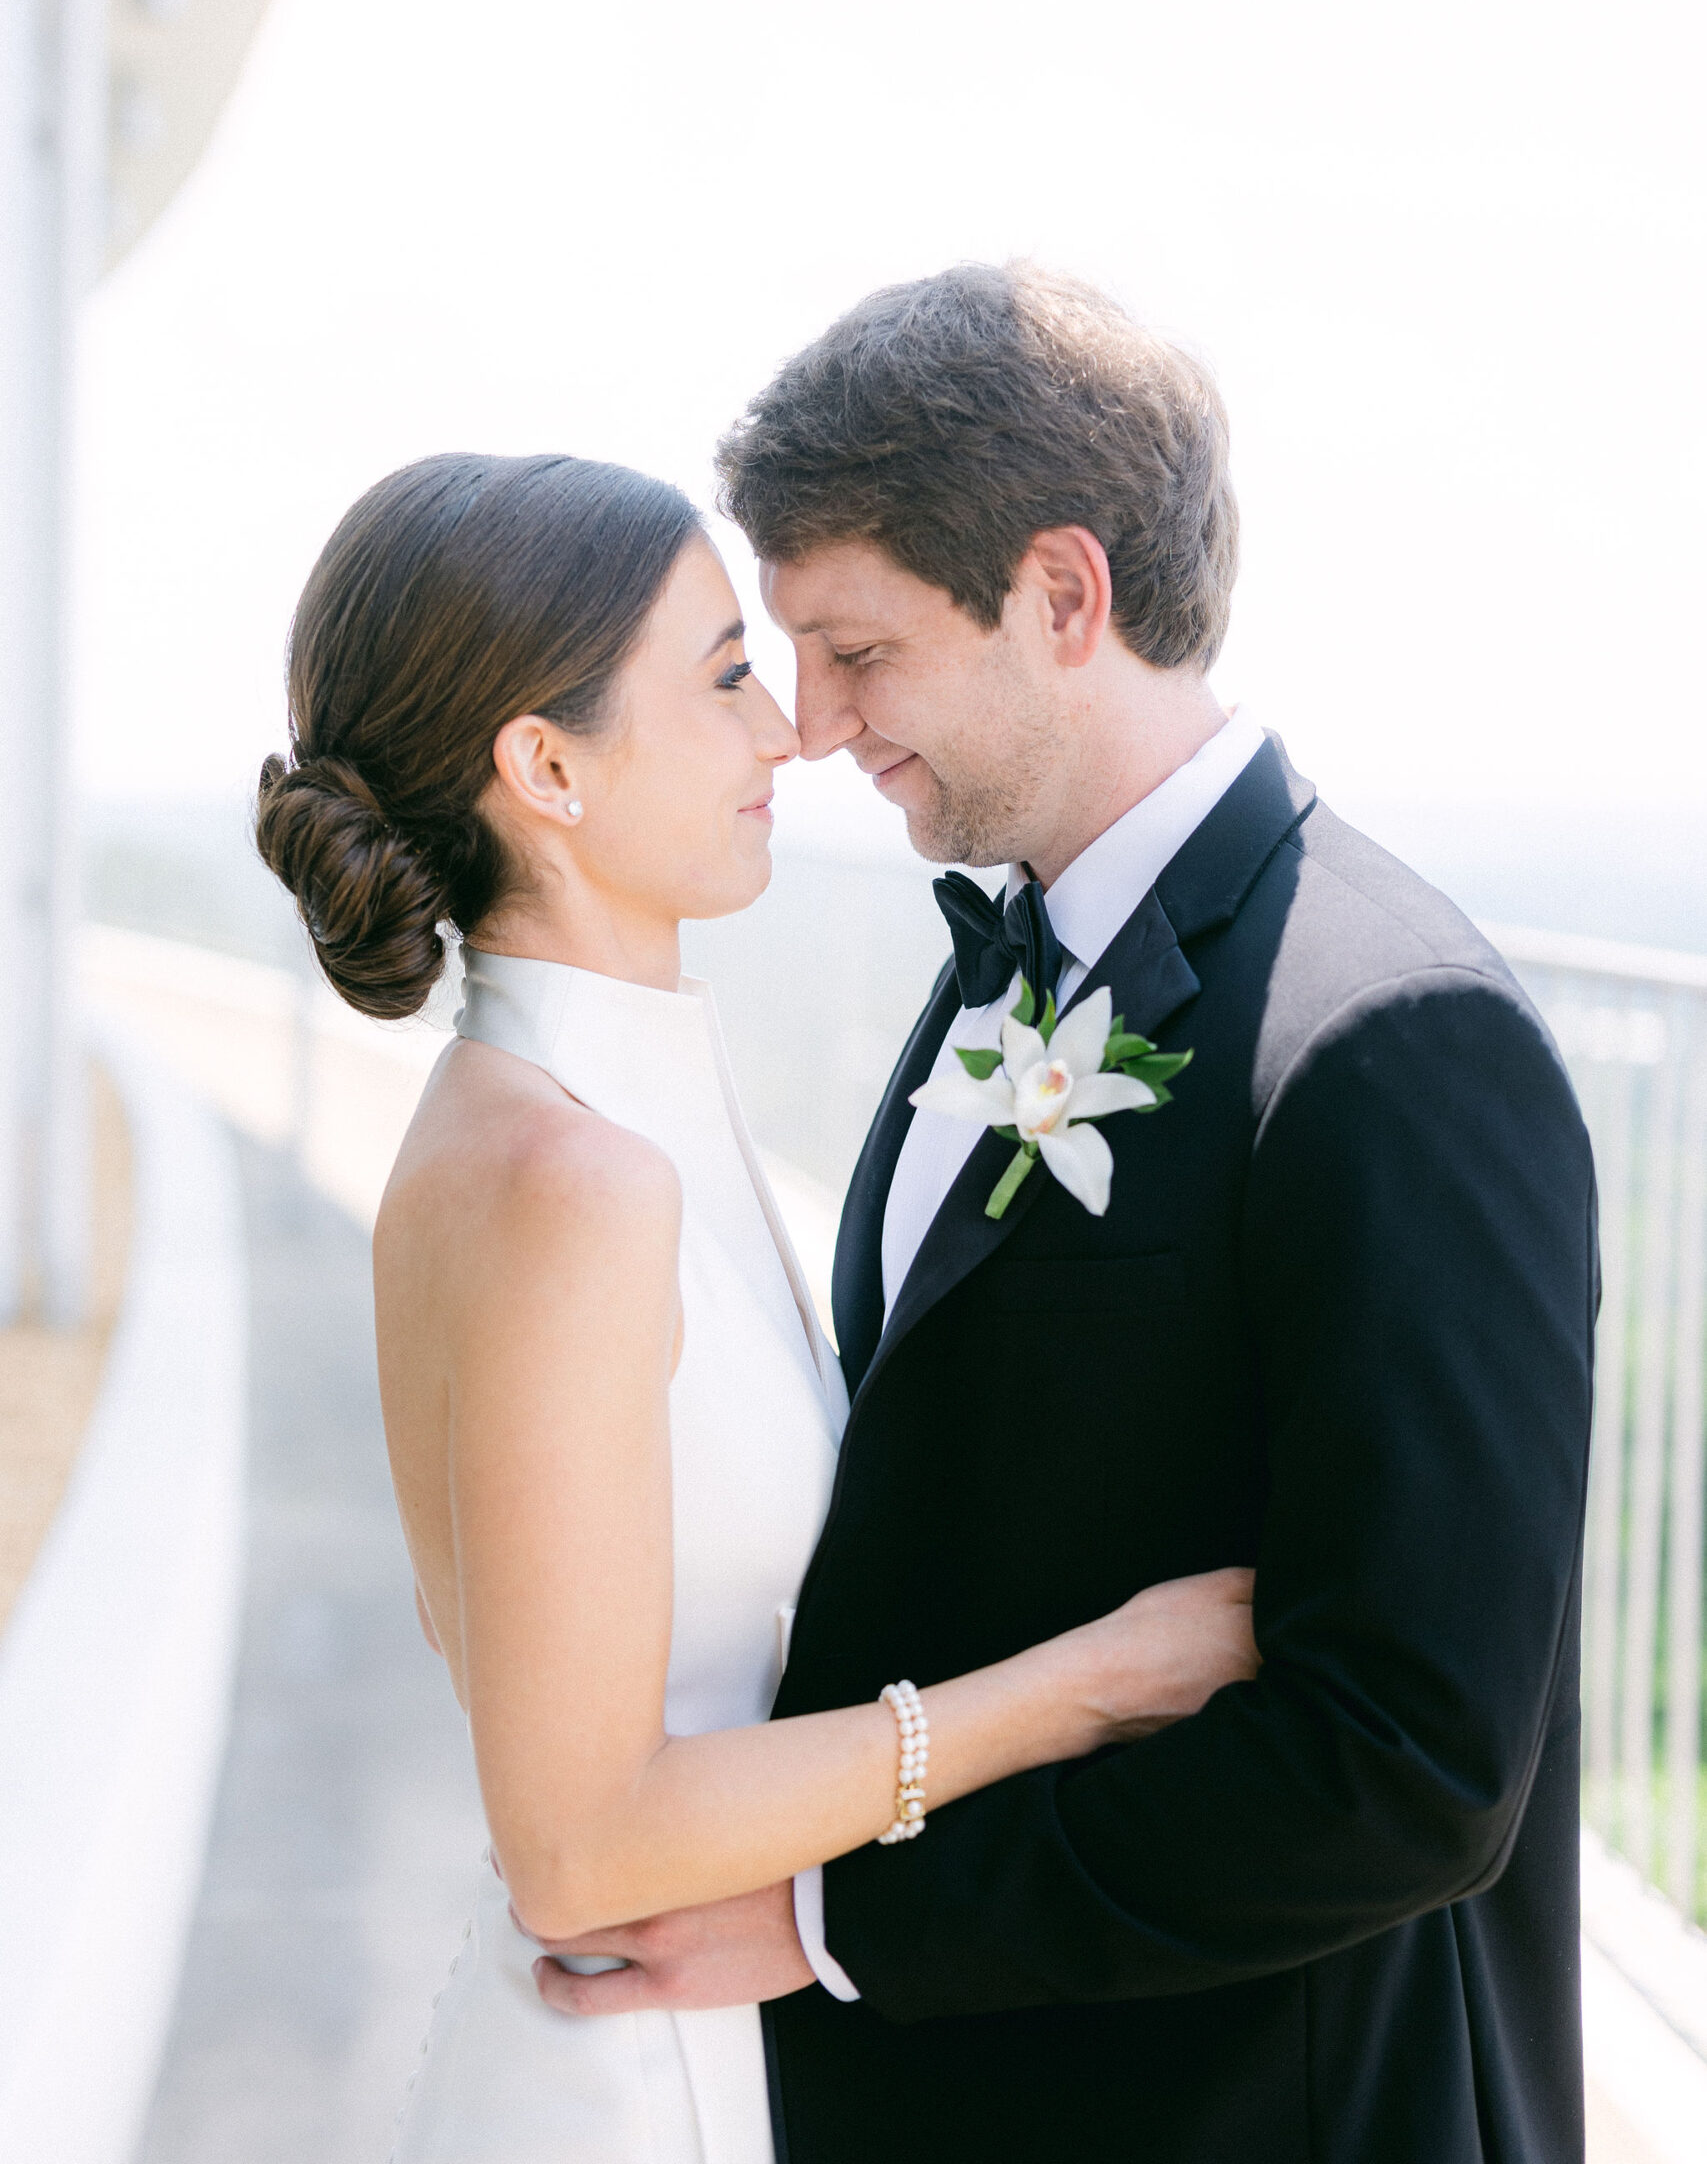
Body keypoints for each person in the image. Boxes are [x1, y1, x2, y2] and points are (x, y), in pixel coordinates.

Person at [532, 264, 1599, 2164]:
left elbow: (1413, 1766)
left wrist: (830, 1917)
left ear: (1064, 597)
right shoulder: (1010, 956)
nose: (815, 725)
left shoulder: (1395, 1039)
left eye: (860, 652)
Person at [253, 448, 1259, 2163]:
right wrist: (1085, 1686)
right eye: (724, 677)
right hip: (640, 2085)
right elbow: (576, 1837)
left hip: (694, 2035)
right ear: (545, 767)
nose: (788, 733)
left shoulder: (543, 1123)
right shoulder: (572, 1185)